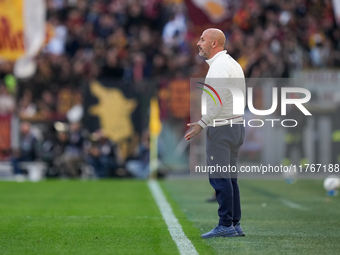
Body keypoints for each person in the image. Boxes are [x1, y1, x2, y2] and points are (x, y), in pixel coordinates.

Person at [185, 28, 246, 238]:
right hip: (236, 125)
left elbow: (217, 101)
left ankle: (225, 224)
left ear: (214, 44)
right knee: (230, 178)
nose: (198, 43)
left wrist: (202, 123)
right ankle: (235, 223)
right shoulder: (232, 64)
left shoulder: (219, 67)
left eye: (202, 39)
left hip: (222, 128)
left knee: (220, 178)